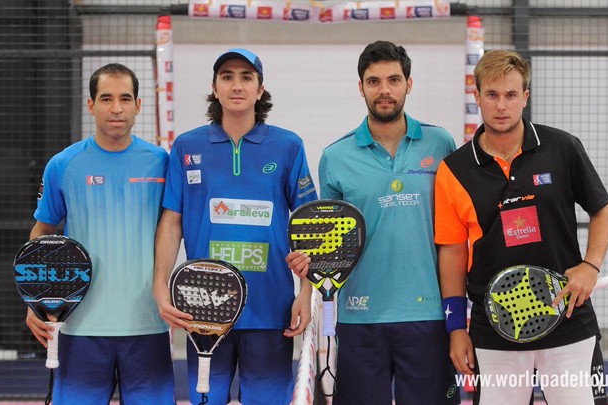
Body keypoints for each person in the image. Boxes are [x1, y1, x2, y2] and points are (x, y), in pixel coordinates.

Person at [434, 49, 608, 404]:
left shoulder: (562, 148)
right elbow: (453, 253)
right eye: (492, 95)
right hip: (494, 331)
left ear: (525, 98)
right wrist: (456, 327)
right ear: (477, 97)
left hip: (568, 322)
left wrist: (591, 266)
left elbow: (603, 210)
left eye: (511, 95)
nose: (501, 106)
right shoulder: (453, 171)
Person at [288, 40, 460, 405]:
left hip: (428, 314)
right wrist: (305, 281)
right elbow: (322, 244)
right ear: (361, 86)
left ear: (408, 84)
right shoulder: (335, 157)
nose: (385, 90)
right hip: (360, 316)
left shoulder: (441, 143)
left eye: (394, 80)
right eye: (374, 81)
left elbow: (456, 229)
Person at [153, 48, 317, 405]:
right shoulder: (186, 146)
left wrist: (306, 292)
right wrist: (160, 285)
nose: (236, 85)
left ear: (260, 90)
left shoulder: (288, 146)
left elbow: (307, 224)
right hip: (205, 310)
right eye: (227, 76)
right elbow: (172, 220)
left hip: (271, 309)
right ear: (214, 87)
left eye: (246, 77)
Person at [25, 63, 175, 404]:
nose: (116, 108)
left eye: (125, 98)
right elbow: (43, 230)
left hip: (147, 324)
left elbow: (176, 227)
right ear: (91, 105)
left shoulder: (162, 163)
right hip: (79, 326)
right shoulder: (63, 164)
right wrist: (34, 299)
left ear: (139, 105)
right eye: (106, 99)